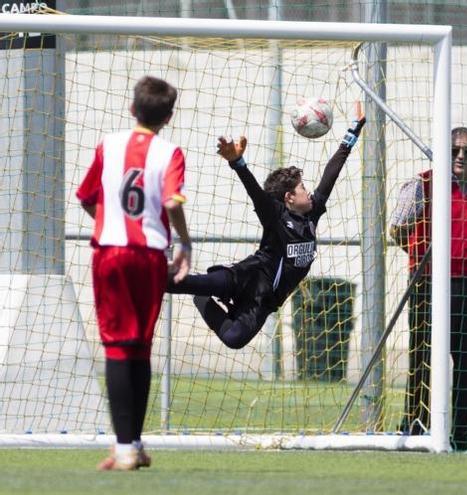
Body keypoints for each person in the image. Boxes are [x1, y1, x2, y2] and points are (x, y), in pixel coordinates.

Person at [166, 115, 366, 350]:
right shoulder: (276, 216)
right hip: (245, 276)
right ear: (289, 197)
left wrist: (352, 133)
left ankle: (202, 299)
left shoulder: (312, 213)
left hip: (262, 300)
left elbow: (331, 174)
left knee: (234, 339)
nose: (309, 191)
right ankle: (131, 275)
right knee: (182, 283)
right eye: (302, 187)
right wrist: (238, 163)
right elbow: (256, 195)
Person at [77, 75, 192, 471]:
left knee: (117, 345)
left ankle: (127, 447)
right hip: (149, 256)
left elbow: (86, 198)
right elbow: (174, 202)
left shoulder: (108, 145)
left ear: (132, 109)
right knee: (140, 346)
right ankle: (133, 445)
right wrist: (186, 244)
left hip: (110, 254)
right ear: (169, 116)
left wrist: (109, 220)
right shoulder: (171, 151)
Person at [389, 127, 467, 452]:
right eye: (454, 150)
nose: (461, 156)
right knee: (425, 354)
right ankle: (418, 424)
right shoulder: (422, 185)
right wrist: (421, 254)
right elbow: (396, 228)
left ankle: (465, 431)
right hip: (429, 282)